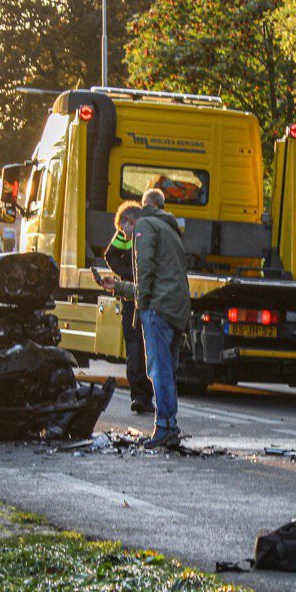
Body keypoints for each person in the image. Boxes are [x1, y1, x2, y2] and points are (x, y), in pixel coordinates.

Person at [99, 188, 190, 448]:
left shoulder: (145, 227)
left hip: (158, 308)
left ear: (132, 219)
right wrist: (118, 287)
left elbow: (145, 270)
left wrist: (143, 304)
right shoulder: (170, 229)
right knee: (167, 369)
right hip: (176, 307)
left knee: (157, 369)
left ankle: (164, 428)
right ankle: (169, 424)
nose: (127, 238)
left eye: (126, 233)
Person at [103, 201, 154, 414]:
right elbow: (110, 255)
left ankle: (141, 396)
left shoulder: (140, 233)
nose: (123, 234)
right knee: (140, 346)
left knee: (136, 346)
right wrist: (128, 273)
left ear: (130, 221)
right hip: (137, 294)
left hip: (135, 294)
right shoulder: (146, 232)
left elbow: (110, 255)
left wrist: (127, 274)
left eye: (123, 228)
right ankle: (143, 397)